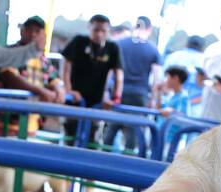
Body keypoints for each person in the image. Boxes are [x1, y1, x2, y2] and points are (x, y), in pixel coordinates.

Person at [0, 16, 69, 137]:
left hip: (31, 124)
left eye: (37, 31)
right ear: (22, 31)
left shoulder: (43, 59)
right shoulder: (9, 52)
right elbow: (11, 77)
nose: (32, 34)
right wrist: (41, 92)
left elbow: (54, 78)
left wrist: (60, 88)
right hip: (4, 121)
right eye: (29, 30)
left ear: (43, 35)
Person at [61, 14, 122, 145]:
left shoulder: (112, 48)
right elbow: (65, 66)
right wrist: (68, 90)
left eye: (103, 31)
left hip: (97, 103)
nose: (99, 34)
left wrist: (115, 98)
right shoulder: (78, 41)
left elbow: (119, 75)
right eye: (96, 30)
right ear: (89, 28)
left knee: (92, 140)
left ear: (108, 31)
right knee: (69, 137)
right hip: (75, 101)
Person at [103, 14, 161, 151]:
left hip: (118, 93)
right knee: (133, 134)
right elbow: (156, 79)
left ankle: (101, 165)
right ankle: (127, 167)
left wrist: (105, 92)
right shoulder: (153, 50)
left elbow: (109, 71)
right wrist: (154, 100)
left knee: (111, 128)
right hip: (139, 97)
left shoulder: (119, 44)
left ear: (135, 26)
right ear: (149, 29)